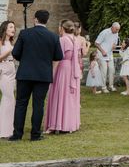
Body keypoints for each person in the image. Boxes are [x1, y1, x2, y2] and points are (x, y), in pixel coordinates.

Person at [9, 10, 64, 141]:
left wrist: (26, 59)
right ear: (47, 20)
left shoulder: (25, 33)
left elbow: (15, 53)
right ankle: (35, 134)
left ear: (35, 19)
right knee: (38, 105)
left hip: (25, 73)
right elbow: (58, 56)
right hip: (43, 75)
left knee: (21, 104)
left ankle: (17, 134)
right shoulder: (53, 37)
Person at [44, 20, 82, 133]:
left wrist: (52, 72)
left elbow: (57, 58)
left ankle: (56, 124)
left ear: (62, 28)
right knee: (70, 97)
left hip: (63, 68)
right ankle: (70, 124)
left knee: (59, 94)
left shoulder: (62, 40)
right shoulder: (77, 40)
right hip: (73, 69)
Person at [0, 20, 17, 138]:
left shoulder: (11, 42)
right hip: (3, 71)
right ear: (5, 29)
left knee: (11, 100)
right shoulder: (0, 42)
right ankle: (4, 130)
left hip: (12, 70)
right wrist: (10, 50)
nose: (13, 29)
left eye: (14, 28)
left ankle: (10, 127)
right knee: (8, 98)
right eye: (11, 27)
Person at [94, 22, 120, 93]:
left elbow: (115, 42)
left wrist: (114, 45)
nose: (117, 31)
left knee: (112, 70)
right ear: (112, 27)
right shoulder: (104, 32)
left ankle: (111, 86)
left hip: (110, 54)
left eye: (118, 30)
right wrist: (102, 51)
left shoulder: (116, 33)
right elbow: (96, 43)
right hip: (102, 54)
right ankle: (103, 87)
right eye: (116, 29)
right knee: (104, 71)